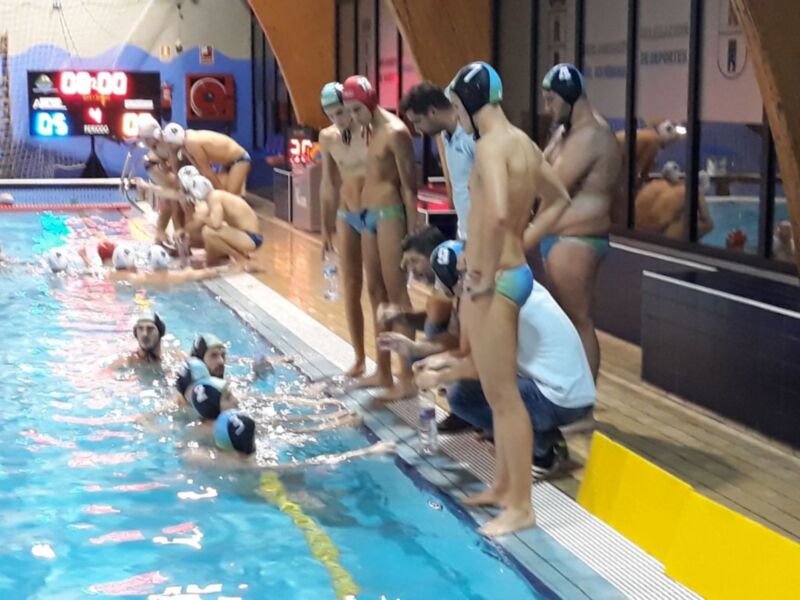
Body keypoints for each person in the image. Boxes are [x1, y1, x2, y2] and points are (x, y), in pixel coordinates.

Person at [448, 61, 570, 536]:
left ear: (473, 104)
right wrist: (525, 238)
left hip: (494, 280)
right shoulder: (523, 142)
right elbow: (558, 198)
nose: (458, 116)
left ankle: (521, 506)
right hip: (512, 271)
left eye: (458, 107)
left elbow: (497, 213)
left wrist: (478, 272)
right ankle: (502, 485)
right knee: (499, 396)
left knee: (502, 398)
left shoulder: (489, 148)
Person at [413, 280, 596, 479]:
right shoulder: (514, 285)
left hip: (560, 399)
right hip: (567, 392)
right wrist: (435, 361)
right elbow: (478, 355)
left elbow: (484, 366)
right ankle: (539, 438)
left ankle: (541, 453)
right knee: (464, 390)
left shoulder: (499, 299)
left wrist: (439, 376)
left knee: (462, 397)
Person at [535, 63, 623, 380]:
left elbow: (550, 182)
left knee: (579, 320)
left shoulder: (592, 136)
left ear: (570, 96)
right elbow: (538, 165)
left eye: (551, 100)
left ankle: (584, 404)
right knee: (565, 322)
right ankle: (569, 395)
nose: (547, 107)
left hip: (578, 241)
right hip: (559, 239)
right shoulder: (565, 132)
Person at [342, 75, 418, 400]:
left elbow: (409, 186)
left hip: (390, 215)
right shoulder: (370, 129)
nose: (354, 117)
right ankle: (383, 371)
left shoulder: (396, 132)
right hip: (367, 217)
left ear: (371, 102)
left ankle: (408, 377)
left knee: (397, 295)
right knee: (374, 292)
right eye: (350, 111)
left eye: (358, 110)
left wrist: (414, 233)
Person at [318, 82, 370, 378]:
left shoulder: (371, 131)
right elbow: (328, 184)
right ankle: (360, 358)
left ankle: (393, 365)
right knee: (351, 288)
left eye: (341, 112)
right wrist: (326, 229)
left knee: (380, 290)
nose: (338, 120)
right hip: (346, 215)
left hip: (376, 212)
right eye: (332, 115)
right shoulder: (328, 137)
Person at [183, 409, 397, 470]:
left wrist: (328, 423)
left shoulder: (211, 455)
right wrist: (366, 452)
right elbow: (309, 464)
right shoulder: (248, 467)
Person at [400, 82, 475, 239]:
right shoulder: (444, 135)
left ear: (432, 111)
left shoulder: (472, 136)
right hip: (465, 233)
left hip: (486, 236)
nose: (416, 129)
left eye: (417, 121)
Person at [178, 167, 263, 265]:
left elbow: (216, 224)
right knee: (208, 232)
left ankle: (240, 258)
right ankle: (215, 260)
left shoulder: (215, 198)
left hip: (252, 239)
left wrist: (201, 219)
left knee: (208, 232)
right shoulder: (215, 196)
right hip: (248, 236)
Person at [161, 123, 251, 195]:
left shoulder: (191, 142)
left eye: (170, 144)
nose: (169, 147)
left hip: (240, 160)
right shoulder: (185, 143)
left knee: (230, 197)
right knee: (222, 194)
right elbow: (198, 168)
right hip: (226, 164)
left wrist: (220, 193)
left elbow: (206, 169)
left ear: (175, 140)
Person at [109, 310, 173, 369]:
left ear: (160, 333)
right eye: (140, 328)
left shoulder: (173, 359)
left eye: (150, 328)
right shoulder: (125, 362)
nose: (145, 334)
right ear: (136, 334)